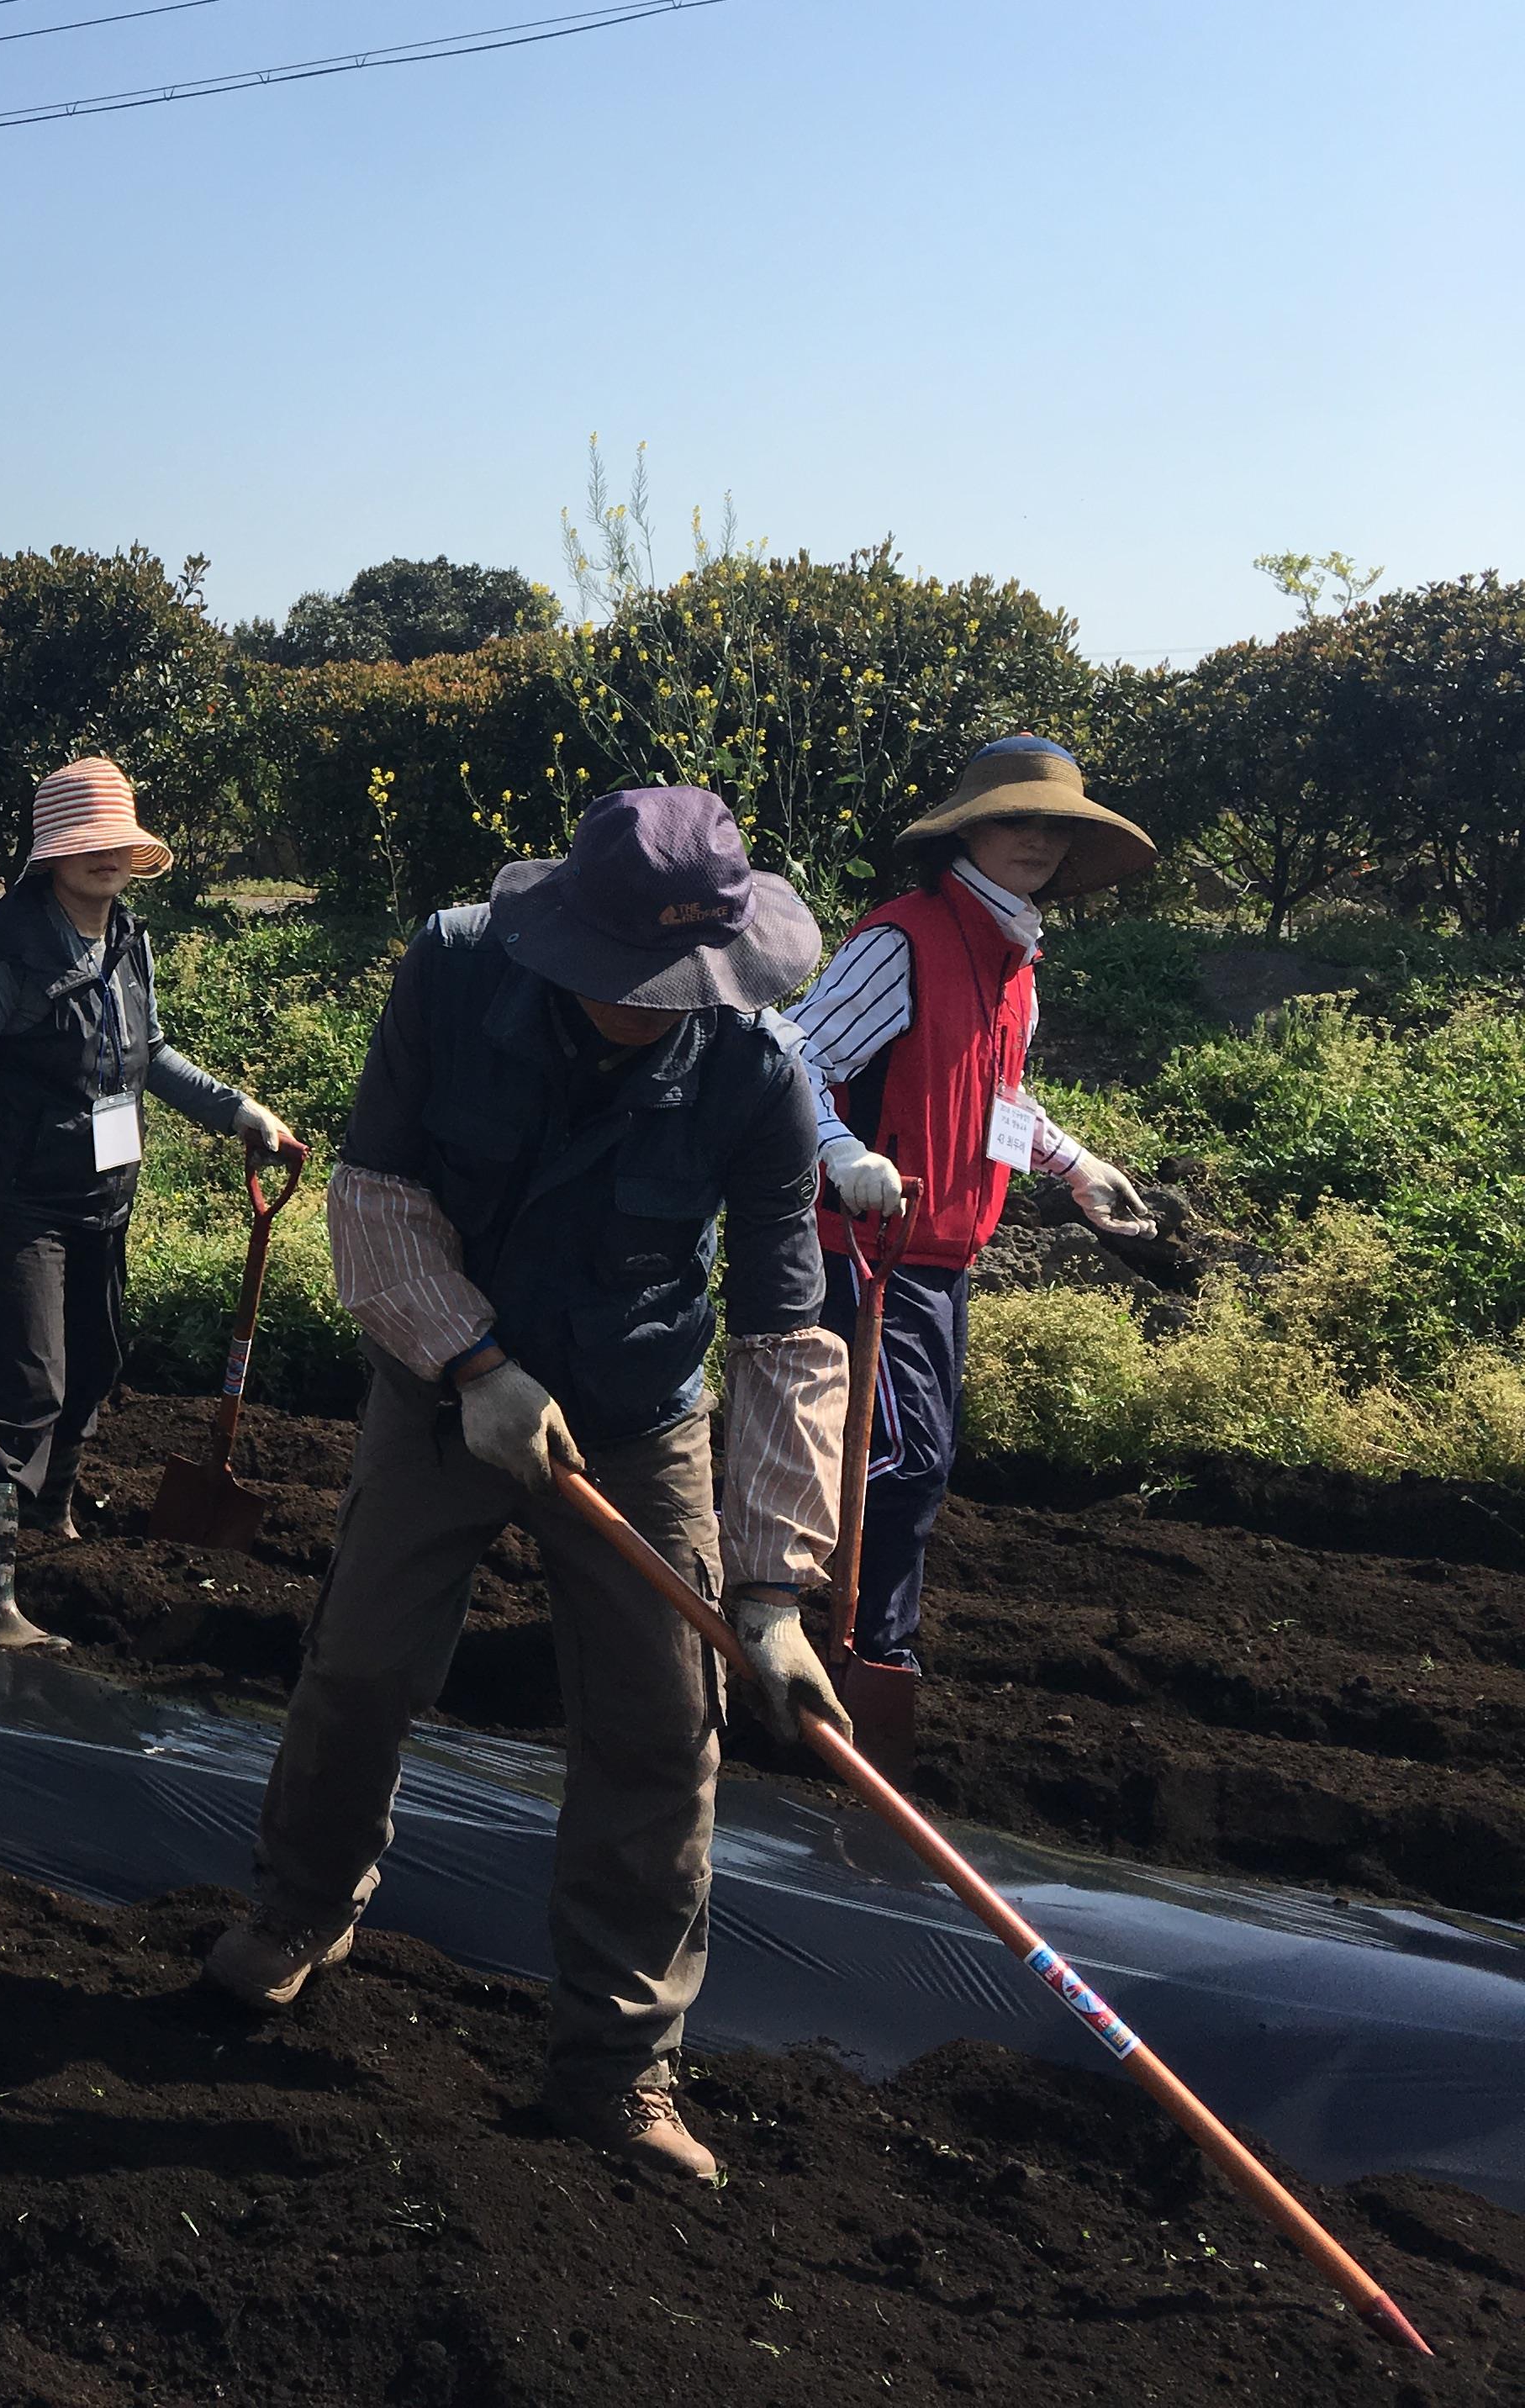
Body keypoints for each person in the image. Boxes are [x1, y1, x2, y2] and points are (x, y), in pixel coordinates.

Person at [208, 785, 852, 2184]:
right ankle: (303, 1906)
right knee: (364, 1663)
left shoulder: (754, 1068)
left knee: (656, 1728)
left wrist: (772, 1591)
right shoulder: (452, 968)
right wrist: (474, 1361)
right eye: (632, 977)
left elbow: (785, 1333)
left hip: (633, 1415)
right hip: (449, 1387)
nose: (654, 1004)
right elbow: (372, 1190)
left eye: (683, 982)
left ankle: (618, 2065)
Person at [789, 735, 1158, 1673]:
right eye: (1015, 818)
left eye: (1054, 826)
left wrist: (1076, 1166)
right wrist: (840, 1151)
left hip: (945, 1253)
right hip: (865, 1246)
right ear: (969, 829)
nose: (1036, 839)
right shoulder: (901, 938)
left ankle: (853, 1641)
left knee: (918, 1461)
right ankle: (838, 1638)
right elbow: (793, 1059)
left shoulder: (1014, 963)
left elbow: (992, 1099)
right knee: (898, 1461)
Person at [0, 756, 302, 1646]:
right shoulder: (8, 944)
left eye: (114, 843)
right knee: (28, 1380)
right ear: (50, 855)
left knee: (97, 1358)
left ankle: (49, 1513)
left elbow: (149, 1056)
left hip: (103, 1192)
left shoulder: (125, 936)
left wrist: (237, 1111)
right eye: (82, 844)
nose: (102, 858)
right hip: (18, 1198)